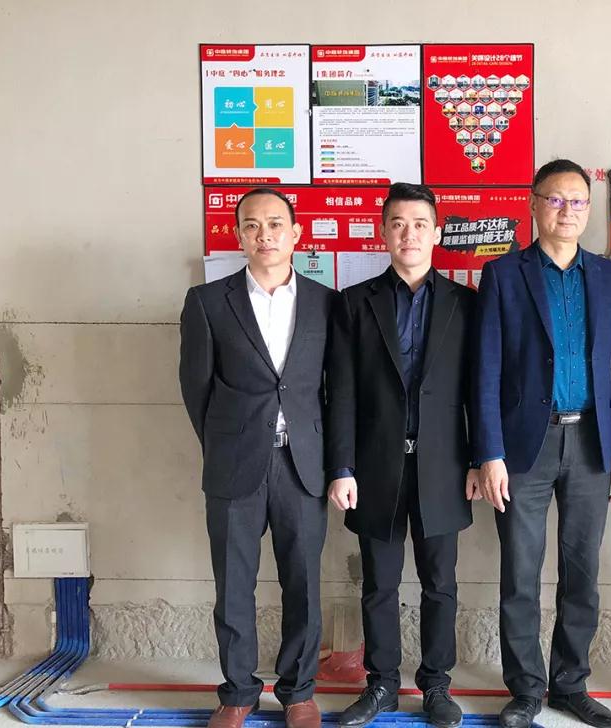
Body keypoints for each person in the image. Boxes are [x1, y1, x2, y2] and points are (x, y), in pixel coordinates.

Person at [473, 159, 611, 728]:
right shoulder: (503, 275)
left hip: (592, 442)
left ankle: (570, 684)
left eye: (578, 201)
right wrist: (488, 452)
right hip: (525, 445)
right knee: (520, 572)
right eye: (556, 199)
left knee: (582, 572)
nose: (567, 210)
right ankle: (525, 689)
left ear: (590, 209)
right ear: (534, 203)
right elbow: (485, 368)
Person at [179, 188, 336, 728]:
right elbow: (196, 388)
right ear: (238, 235)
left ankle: (299, 693)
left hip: (304, 464)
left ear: (296, 234)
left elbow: (334, 389)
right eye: (251, 225)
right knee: (233, 583)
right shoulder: (207, 301)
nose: (264, 234)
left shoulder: (326, 302)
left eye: (274, 224)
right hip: (235, 461)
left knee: (304, 584)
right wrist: (226, 443)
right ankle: (237, 693)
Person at [326, 183, 479, 728]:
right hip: (374, 467)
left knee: (441, 584)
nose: (408, 233)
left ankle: (436, 685)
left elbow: (478, 390)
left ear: (436, 233)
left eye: (419, 224)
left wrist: (479, 459)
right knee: (379, 584)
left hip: (445, 466)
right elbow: (341, 392)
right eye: (398, 223)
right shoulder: (354, 303)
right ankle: (382, 685)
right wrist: (341, 467)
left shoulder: (466, 303)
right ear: (383, 232)